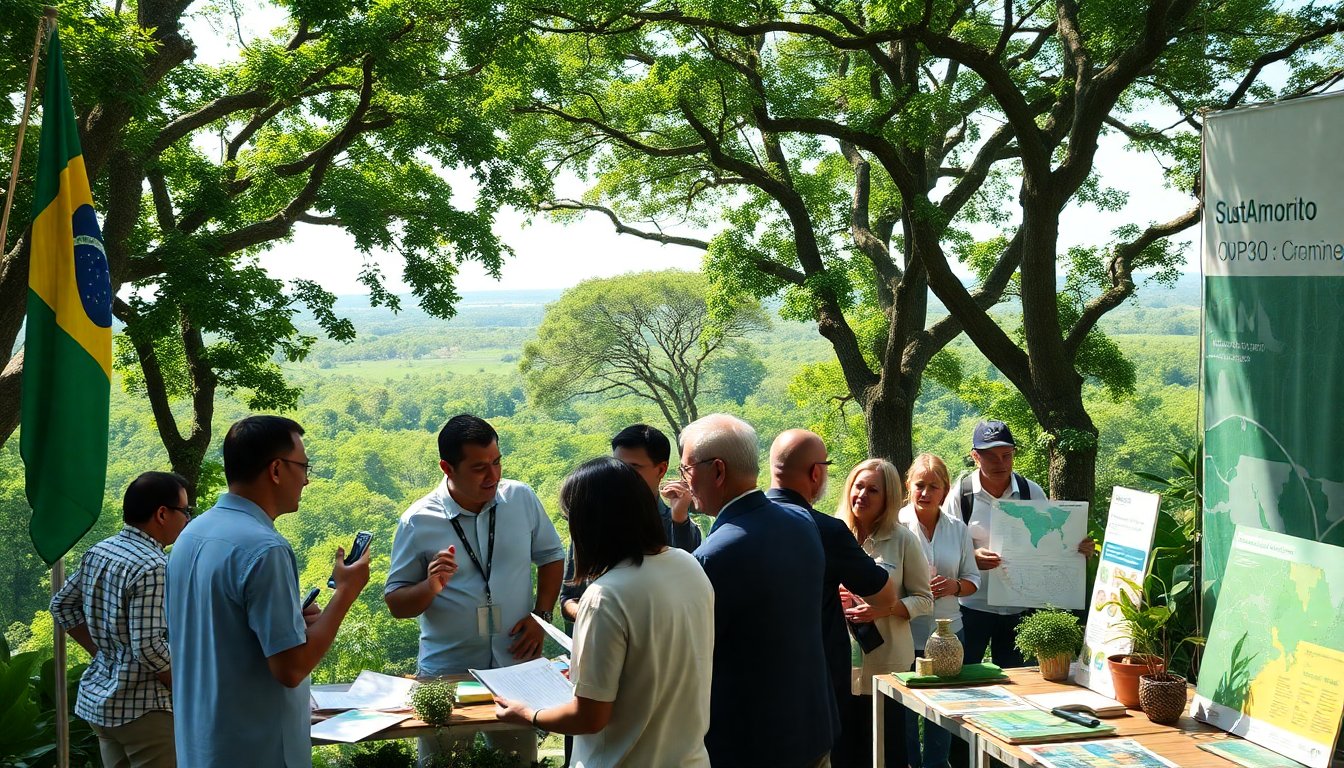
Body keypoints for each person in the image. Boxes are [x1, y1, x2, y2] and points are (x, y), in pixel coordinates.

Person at [167, 416, 370, 768]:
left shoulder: (192, 533)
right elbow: (291, 669)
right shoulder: (264, 549)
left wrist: (291, 623)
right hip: (257, 750)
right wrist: (346, 593)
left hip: (201, 745)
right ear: (276, 470)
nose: (306, 479)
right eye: (303, 466)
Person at [495, 457, 714, 767]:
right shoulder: (688, 566)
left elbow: (589, 717)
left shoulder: (605, 596)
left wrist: (529, 714)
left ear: (589, 524)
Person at [384, 414, 566, 763]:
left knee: (517, 762)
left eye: (497, 462)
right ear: (447, 468)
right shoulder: (418, 520)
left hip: (516, 666)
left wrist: (541, 615)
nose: (493, 475)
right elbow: (397, 603)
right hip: (448, 673)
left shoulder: (521, 499)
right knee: (445, 763)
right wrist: (430, 586)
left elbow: (551, 557)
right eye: (479, 467)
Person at [683, 414, 836, 768]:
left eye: (687, 468)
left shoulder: (711, 556)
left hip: (749, 743)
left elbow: (695, 657)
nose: (684, 480)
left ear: (717, 471)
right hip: (811, 727)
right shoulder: (802, 522)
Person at [766, 429, 899, 768]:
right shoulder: (826, 530)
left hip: (753, 682)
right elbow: (885, 593)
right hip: (816, 679)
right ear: (816, 473)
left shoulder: (733, 527)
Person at [50, 472, 192, 768]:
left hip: (103, 705)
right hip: (146, 710)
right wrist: (187, 688)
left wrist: (106, 653)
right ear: (163, 514)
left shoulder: (101, 550)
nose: (188, 520)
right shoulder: (153, 566)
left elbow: (62, 605)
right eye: (185, 511)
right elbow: (149, 647)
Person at [940, 420, 1093, 669]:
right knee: (963, 675)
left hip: (1019, 608)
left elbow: (1051, 540)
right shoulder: (961, 495)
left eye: (1006, 455)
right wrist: (972, 557)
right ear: (975, 457)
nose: (1001, 463)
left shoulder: (1031, 491)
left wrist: (1077, 549)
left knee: (1016, 680)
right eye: (991, 457)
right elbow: (945, 548)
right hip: (972, 606)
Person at [836, 458, 933, 768]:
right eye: (858, 486)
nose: (861, 495)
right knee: (845, 751)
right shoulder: (833, 535)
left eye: (872, 490)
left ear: (888, 497)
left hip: (887, 664)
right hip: (839, 662)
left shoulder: (904, 540)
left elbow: (924, 599)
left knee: (886, 750)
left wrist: (886, 607)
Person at [559, 423, 701, 625]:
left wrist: (680, 522)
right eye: (617, 466)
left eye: (633, 468)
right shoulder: (594, 524)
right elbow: (568, 597)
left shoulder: (679, 524)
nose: (620, 476)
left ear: (661, 469)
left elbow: (688, 587)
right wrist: (596, 614)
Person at [897, 453, 981, 768]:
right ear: (909, 486)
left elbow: (974, 580)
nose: (926, 493)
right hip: (907, 631)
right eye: (920, 485)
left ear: (944, 490)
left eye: (934, 486)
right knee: (905, 712)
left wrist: (955, 587)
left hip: (948, 634)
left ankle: (936, 764)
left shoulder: (958, 529)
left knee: (942, 713)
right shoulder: (895, 524)